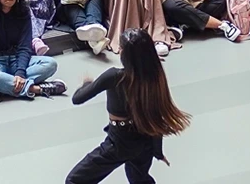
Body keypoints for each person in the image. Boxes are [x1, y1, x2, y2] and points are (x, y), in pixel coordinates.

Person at [64, 28, 189, 184]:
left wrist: (86, 84)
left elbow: (78, 98)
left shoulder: (114, 76)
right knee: (140, 180)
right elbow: (156, 116)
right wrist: (157, 150)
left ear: (124, 53)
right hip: (145, 141)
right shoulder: (154, 77)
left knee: (74, 180)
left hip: (119, 141)